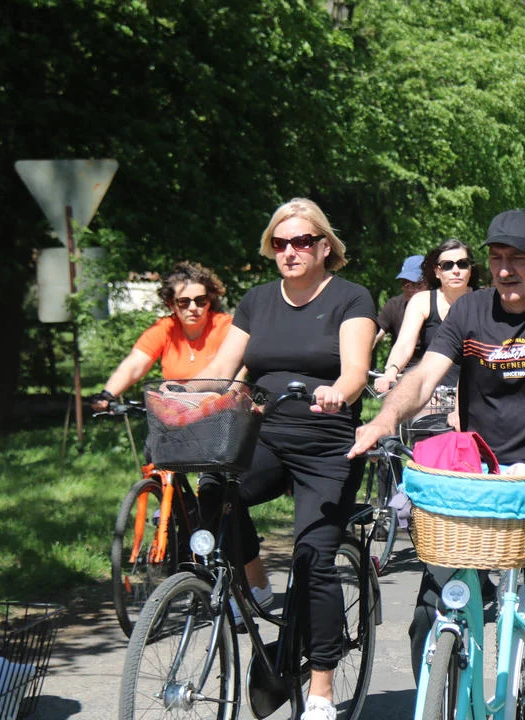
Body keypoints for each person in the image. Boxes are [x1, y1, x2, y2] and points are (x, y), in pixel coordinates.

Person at [349, 209, 525, 704]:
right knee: (433, 601)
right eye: (496, 258)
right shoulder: (470, 312)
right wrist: (383, 421)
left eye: (519, 258)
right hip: (478, 470)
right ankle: (437, 693)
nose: (505, 269)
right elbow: (424, 377)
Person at [198, 198, 377, 720]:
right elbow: (221, 370)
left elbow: (355, 370)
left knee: (313, 560)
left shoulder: (351, 298)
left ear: (325, 247)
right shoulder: (257, 301)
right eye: (280, 243)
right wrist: (184, 396)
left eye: (302, 242)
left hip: (327, 444)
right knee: (213, 492)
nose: (291, 251)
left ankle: (320, 688)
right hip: (266, 435)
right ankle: (252, 585)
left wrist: (338, 394)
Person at [90, 262, 232, 409]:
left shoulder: (226, 327)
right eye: (183, 302)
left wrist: (184, 393)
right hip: (175, 412)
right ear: (171, 304)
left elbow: (225, 371)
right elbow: (134, 365)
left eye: (200, 300)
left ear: (209, 301)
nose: (193, 308)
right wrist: (107, 395)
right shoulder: (165, 328)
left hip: (219, 415)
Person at [373, 239, 478, 395]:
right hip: (434, 395)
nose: (456, 270)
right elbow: (404, 344)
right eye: (448, 265)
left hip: (478, 395)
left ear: (470, 269)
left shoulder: (486, 301)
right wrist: (391, 370)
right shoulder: (421, 301)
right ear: (437, 271)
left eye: (462, 264)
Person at [374, 255, 426, 350]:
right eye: (405, 283)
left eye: (418, 284)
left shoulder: (443, 306)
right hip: (399, 363)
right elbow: (375, 334)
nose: (410, 289)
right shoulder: (394, 305)